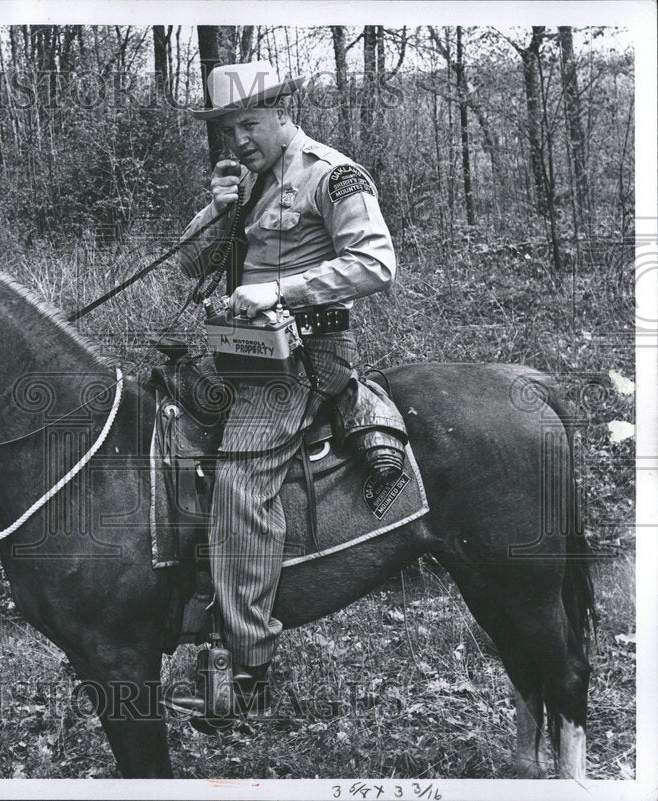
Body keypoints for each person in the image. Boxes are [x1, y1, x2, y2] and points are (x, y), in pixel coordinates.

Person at [171, 61, 402, 716]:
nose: (239, 140)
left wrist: (278, 289)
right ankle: (183, 597)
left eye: (248, 123)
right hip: (245, 351)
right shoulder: (247, 183)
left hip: (307, 355)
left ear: (281, 114)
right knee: (159, 419)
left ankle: (250, 670)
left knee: (242, 476)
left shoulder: (332, 173)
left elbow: (375, 262)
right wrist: (217, 211)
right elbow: (189, 263)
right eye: (228, 129)